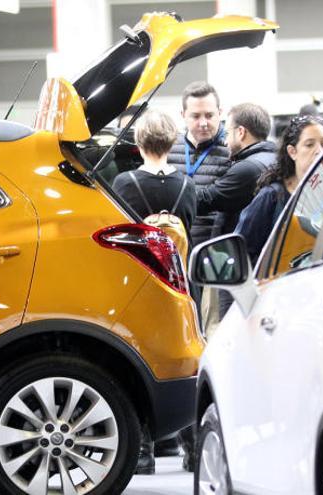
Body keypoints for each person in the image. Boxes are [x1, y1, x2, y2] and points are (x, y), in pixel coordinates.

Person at [112, 108, 196, 476]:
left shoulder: (125, 183)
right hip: (179, 285)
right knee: (183, 362)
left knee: (137, 364)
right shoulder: (187, 184)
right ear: (173, 141)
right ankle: (191, 447)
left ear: (138, 142)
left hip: (141, 286)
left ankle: (143, 450)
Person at [196, 103, 277, 320]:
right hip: (255, 264)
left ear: (241, 132)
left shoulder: (249, 168)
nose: (224, 139)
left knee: (226, 328)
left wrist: (175, 187)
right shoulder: (271, 160)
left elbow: (206, 199)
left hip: (238, 266)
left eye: (228, 131)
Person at [235, 115, 323, 264]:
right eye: (309, 144)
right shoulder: (272, 196)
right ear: (292, 152)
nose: (320, 151)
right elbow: (242, 250)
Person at [167, 81, 231, 246]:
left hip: (215, 249)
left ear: (220, 113)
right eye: (196, 116)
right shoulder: (169, 148)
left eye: (209, 115)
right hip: (175, 248)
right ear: (183, 115)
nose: (203, 123)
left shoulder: (232, 150)